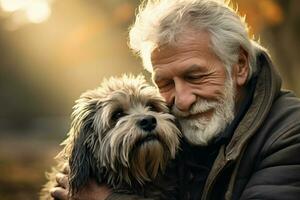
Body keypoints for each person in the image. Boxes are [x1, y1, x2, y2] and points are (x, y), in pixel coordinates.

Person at [51, 0, 300, 199]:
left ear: (240, 66)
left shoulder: (290, 133)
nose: (181, 101)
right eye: (165, 84)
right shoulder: (177, 132)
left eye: (195, 76)